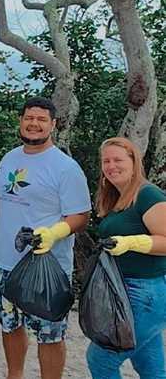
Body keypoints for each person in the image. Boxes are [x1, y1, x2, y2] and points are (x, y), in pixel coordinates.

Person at [0, 97, 91, 379]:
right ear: (21, 121)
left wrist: (54, 233)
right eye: (29, 118)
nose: (34, 124)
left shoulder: (65, 167)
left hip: (46, 268)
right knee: (10, 325)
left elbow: (81, 216)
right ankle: (15, 375)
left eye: (41, 119)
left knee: (49, 334)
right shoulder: (9, 158)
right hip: (5, 263)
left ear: (53, 125)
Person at [86, 137, 166, 378]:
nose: (111, 166)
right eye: (106, 161)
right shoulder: (118, 198)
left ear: (134, 162)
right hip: (124, 290)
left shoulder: (148, 195)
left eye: (118, 160)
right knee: (150, 367)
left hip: (146, 294)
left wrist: (132, 242)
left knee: (100, 359)